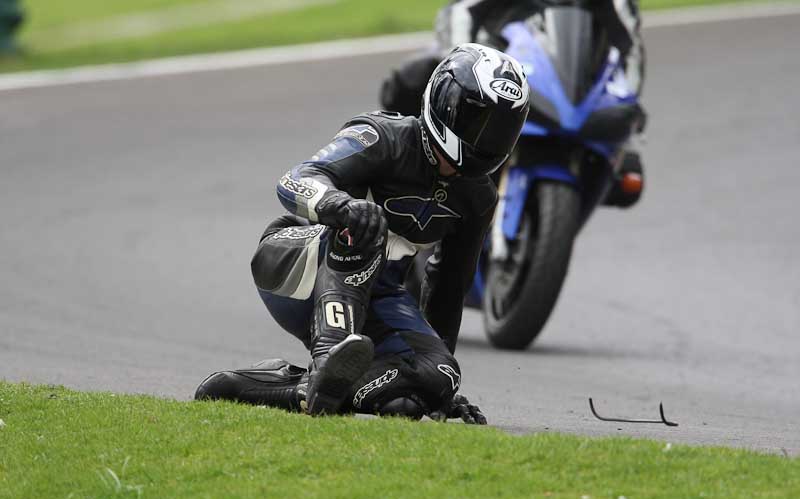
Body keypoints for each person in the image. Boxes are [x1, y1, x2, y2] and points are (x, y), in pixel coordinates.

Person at [195, 43, 530, 423]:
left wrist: (437, 391)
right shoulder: (382, 136)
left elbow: (449, 287)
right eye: (477, 121)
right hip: (296, 263)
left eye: (500, 130)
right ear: (444, 101)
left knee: (434, 381)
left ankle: (286, 388)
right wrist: (342, 207)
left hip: (377, 296)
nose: (486, 141)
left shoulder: (479, 197)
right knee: (366, 225)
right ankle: (328, 356)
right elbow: (295, 179)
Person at [380, 0, 646, 208]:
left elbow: (631, 49)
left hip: (571, 92)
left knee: (629, 178)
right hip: (489, 69)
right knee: (413, 77)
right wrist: (461, 63)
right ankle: (395, 165)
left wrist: (629, 99)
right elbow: (461, 11)